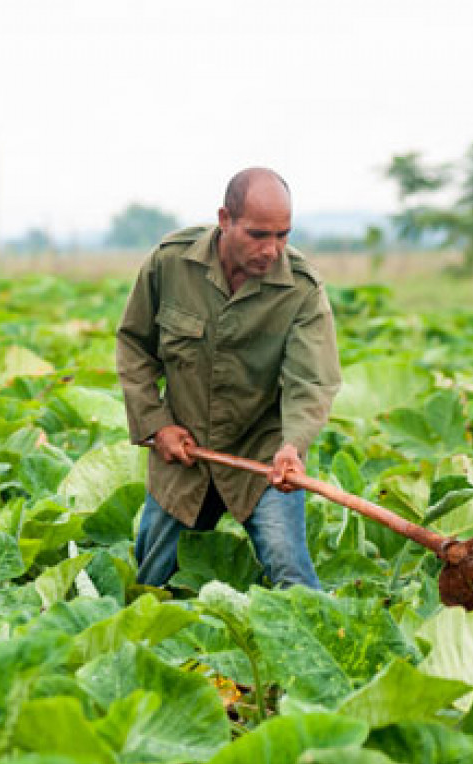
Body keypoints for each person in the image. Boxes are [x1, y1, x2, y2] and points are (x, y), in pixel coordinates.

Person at [116, 168, 342, 589]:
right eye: (259, 235)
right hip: (185, 451)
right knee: (153, 580)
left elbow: (311, 381)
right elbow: (134, 346)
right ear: (225, 219)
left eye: (283, 235)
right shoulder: (171, 263)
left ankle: (319, 648)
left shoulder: (302, 288)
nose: (272, 250)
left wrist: (293, 445)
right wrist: (156, 425)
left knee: (289, 568)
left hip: (263, 454)